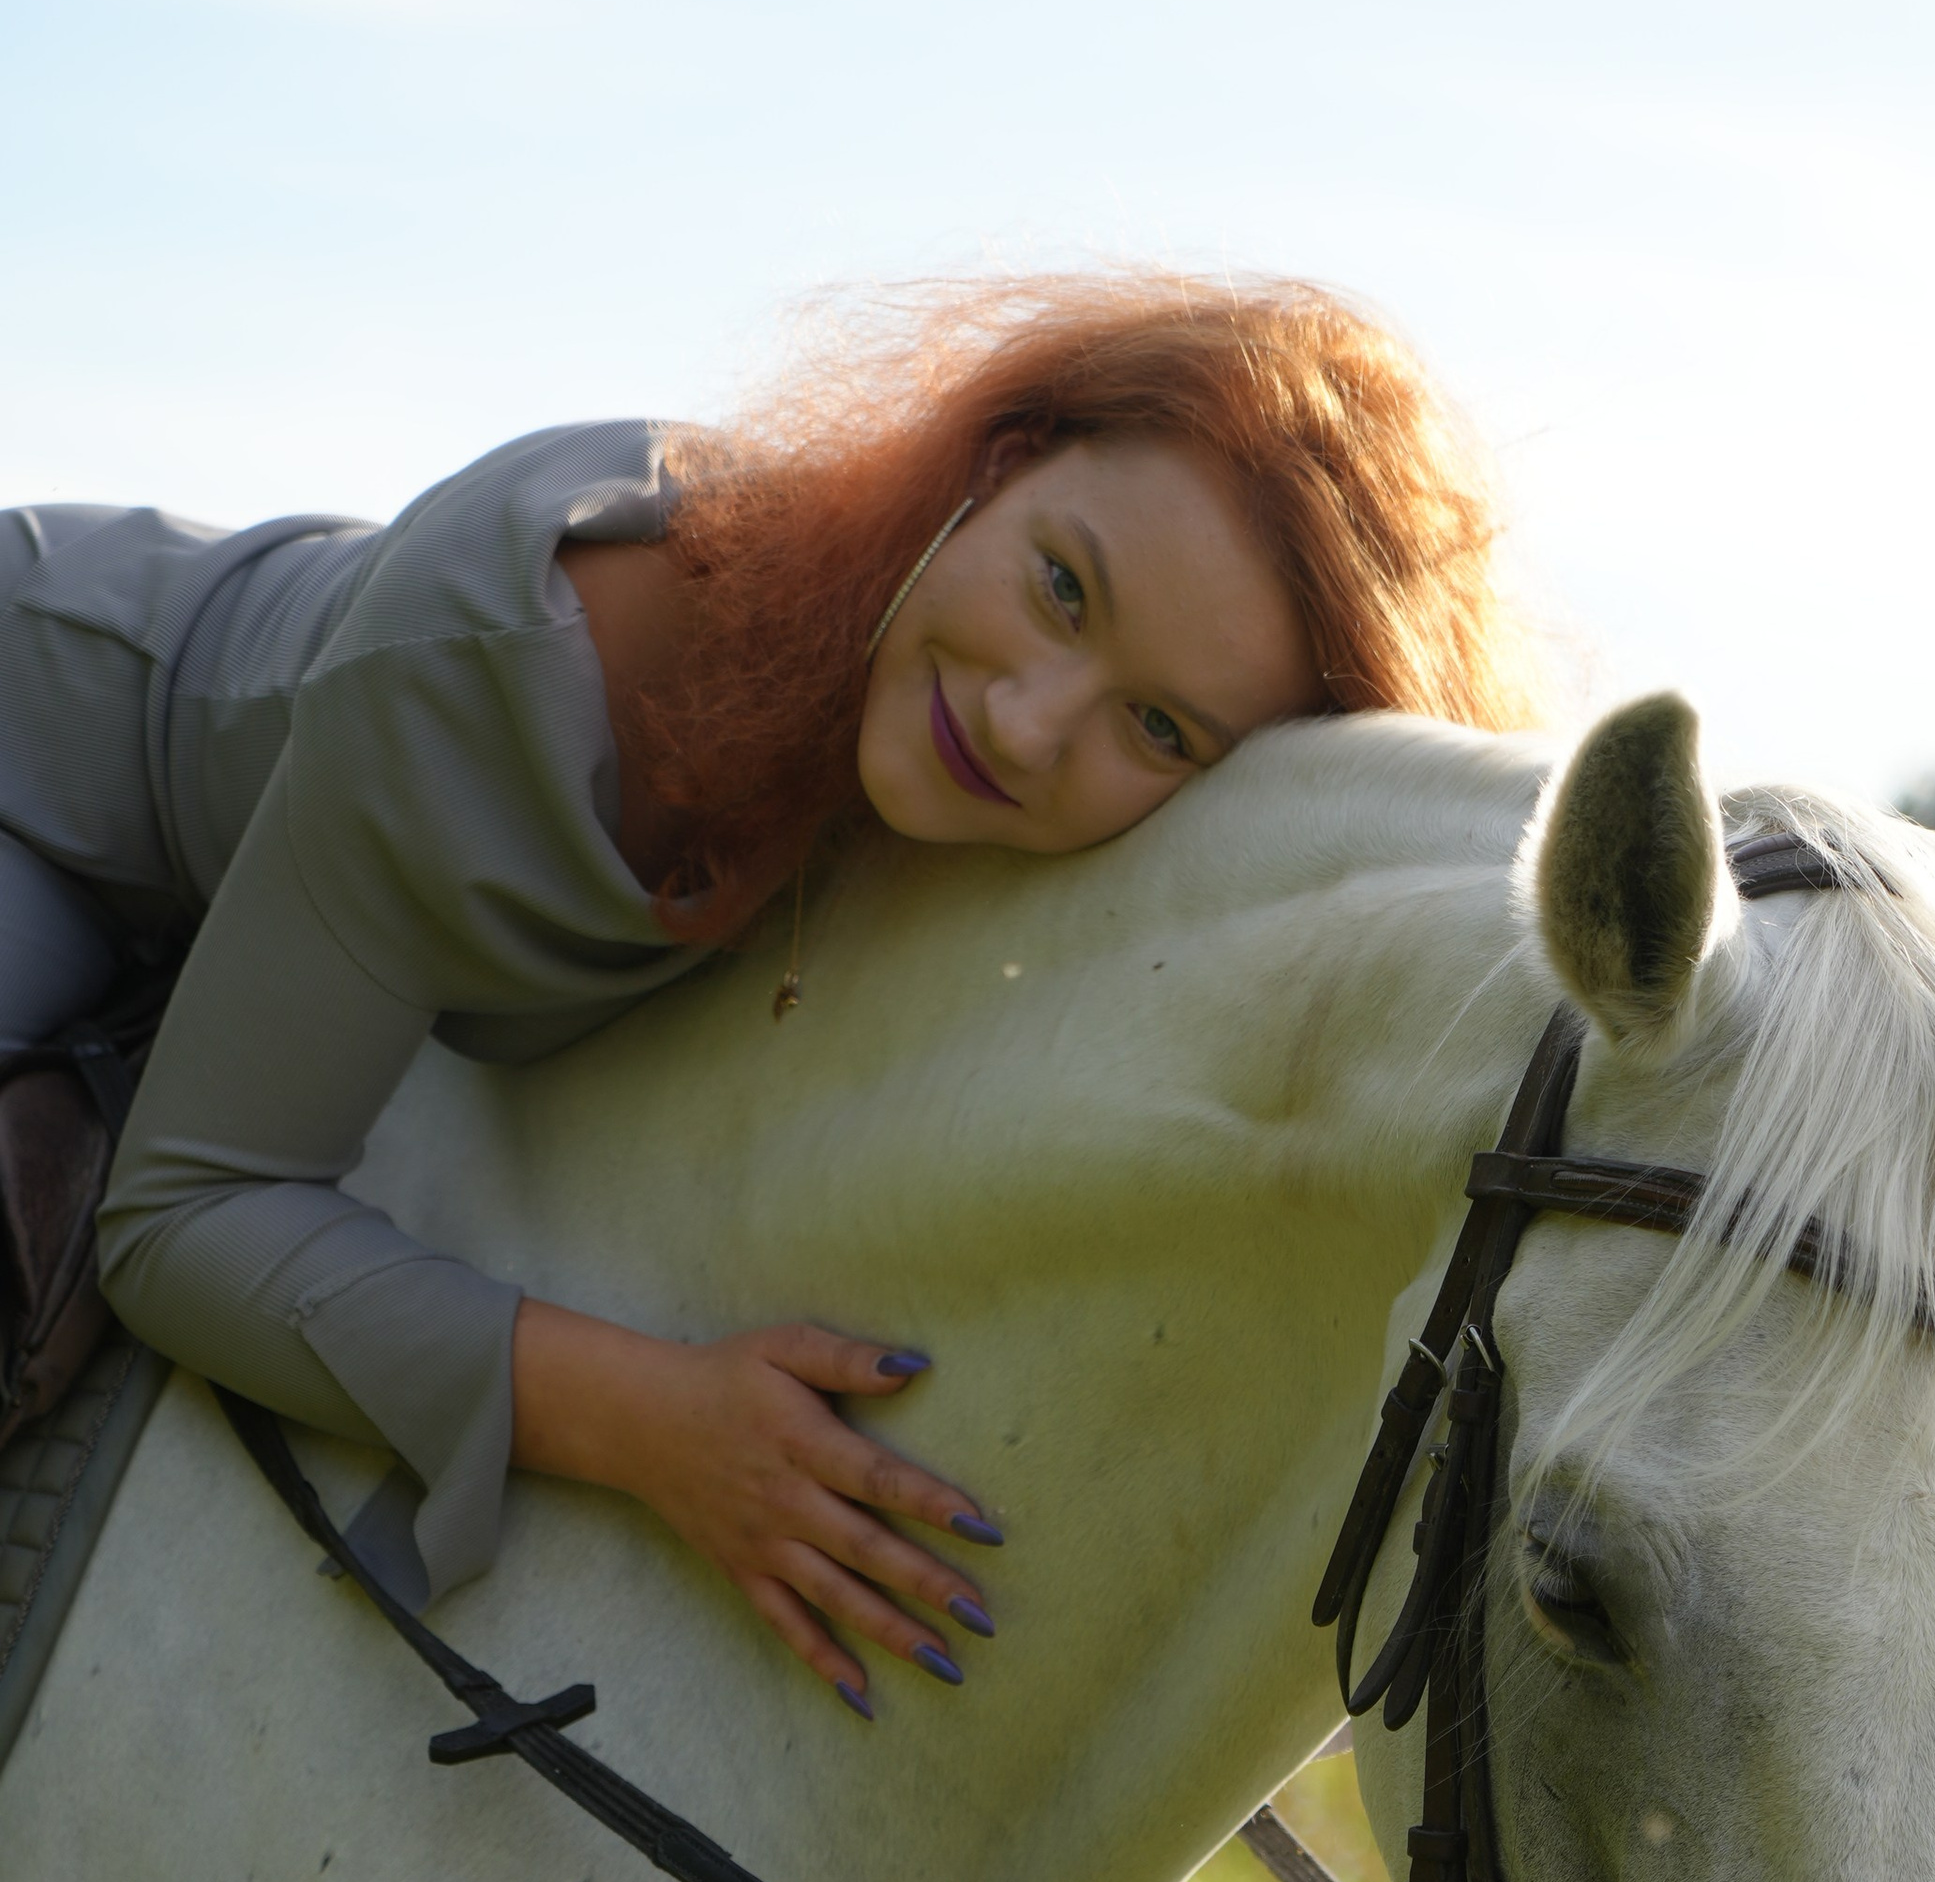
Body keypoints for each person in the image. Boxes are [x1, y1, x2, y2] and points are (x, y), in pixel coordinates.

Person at [0, 274, 1535, 1706]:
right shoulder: (513, 661)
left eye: (1160, 728)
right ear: (994, 467)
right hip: (45, 780)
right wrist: (656, 1423)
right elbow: (183, 1219)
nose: (1023, 720)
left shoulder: (946, 762)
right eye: (1063, 588)